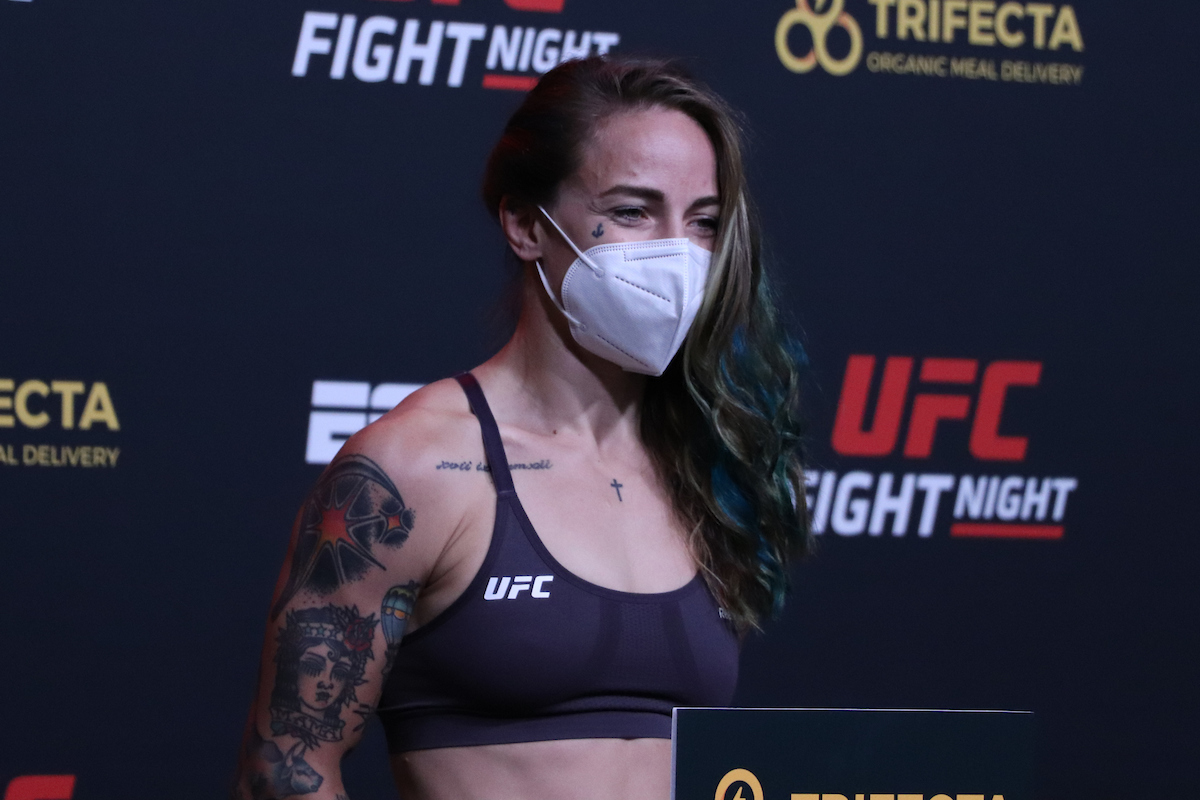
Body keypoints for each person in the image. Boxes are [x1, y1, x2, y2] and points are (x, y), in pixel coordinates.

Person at [233, 55, 810, 800]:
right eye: (632, 211)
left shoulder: (707, 469)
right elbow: (283, 772)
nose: (678, 253)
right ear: (526, 225)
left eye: (703, 221)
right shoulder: (417, 466)